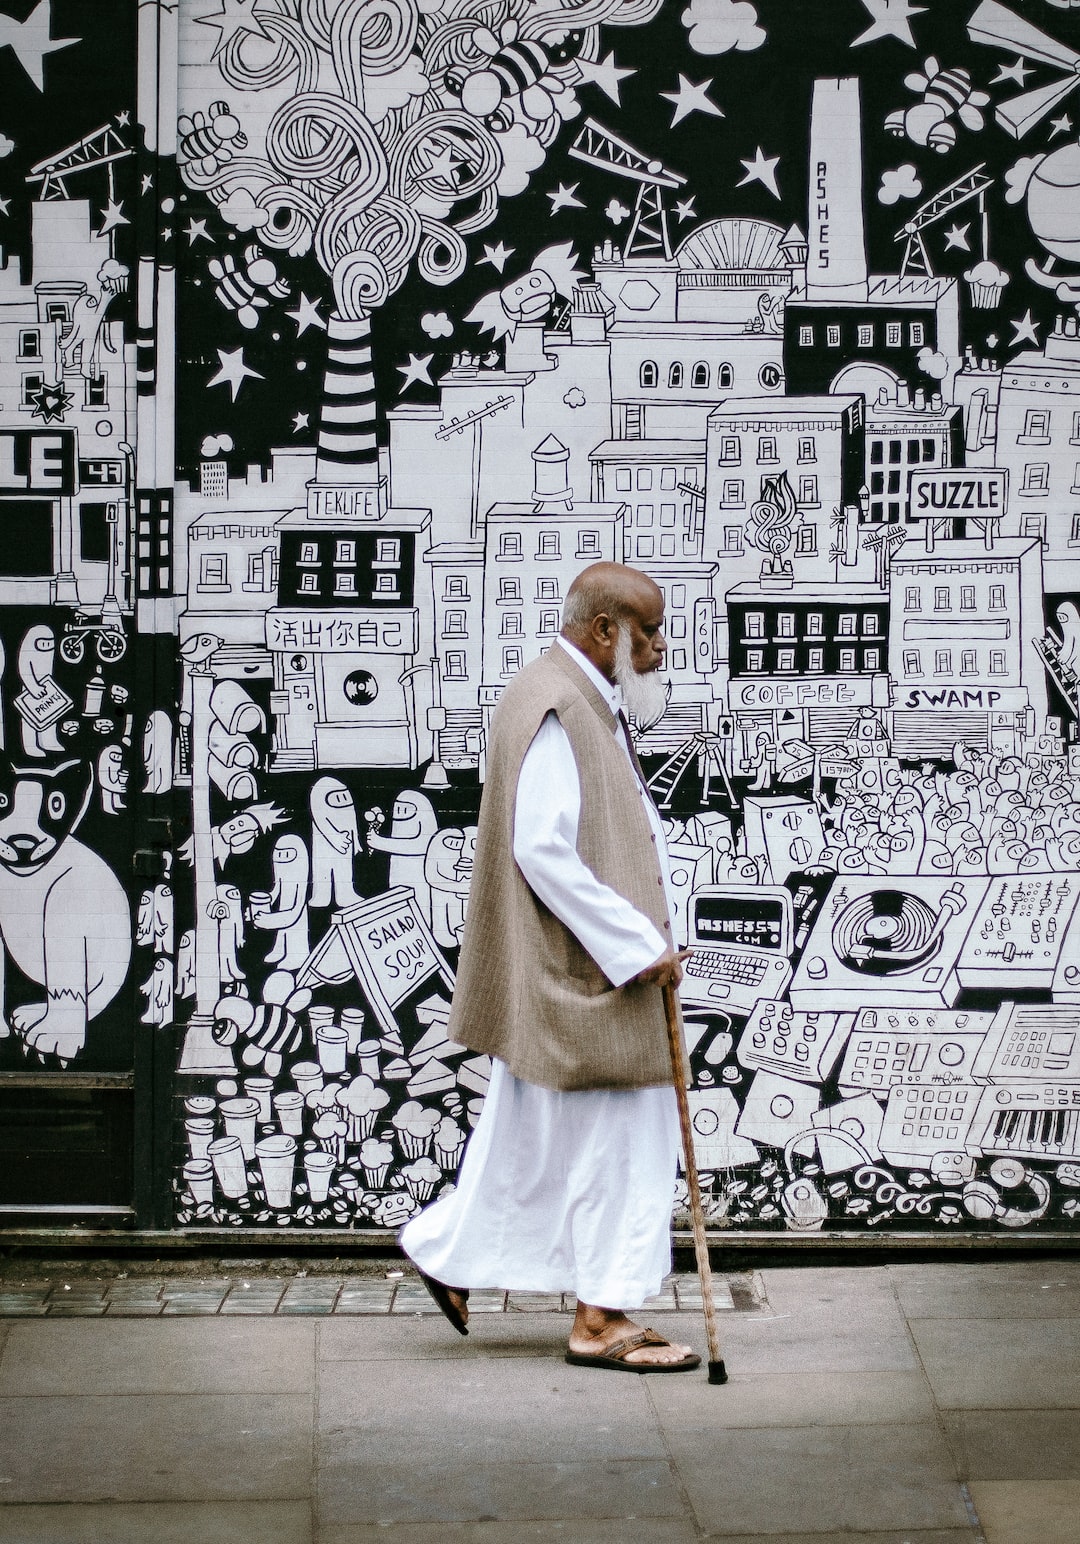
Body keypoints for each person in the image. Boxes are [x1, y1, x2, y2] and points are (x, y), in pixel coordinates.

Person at [400, 562, 699, 1372]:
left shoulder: (567, 696)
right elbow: (541, 847)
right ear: (606, 630)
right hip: (592, 981)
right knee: (623, 1142)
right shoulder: (562, 705)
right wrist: (637, 949)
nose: (662, 649)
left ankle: (449, 1254)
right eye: (651, 633)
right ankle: (599, 1321)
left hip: (570, 976)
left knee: (527, 1133)